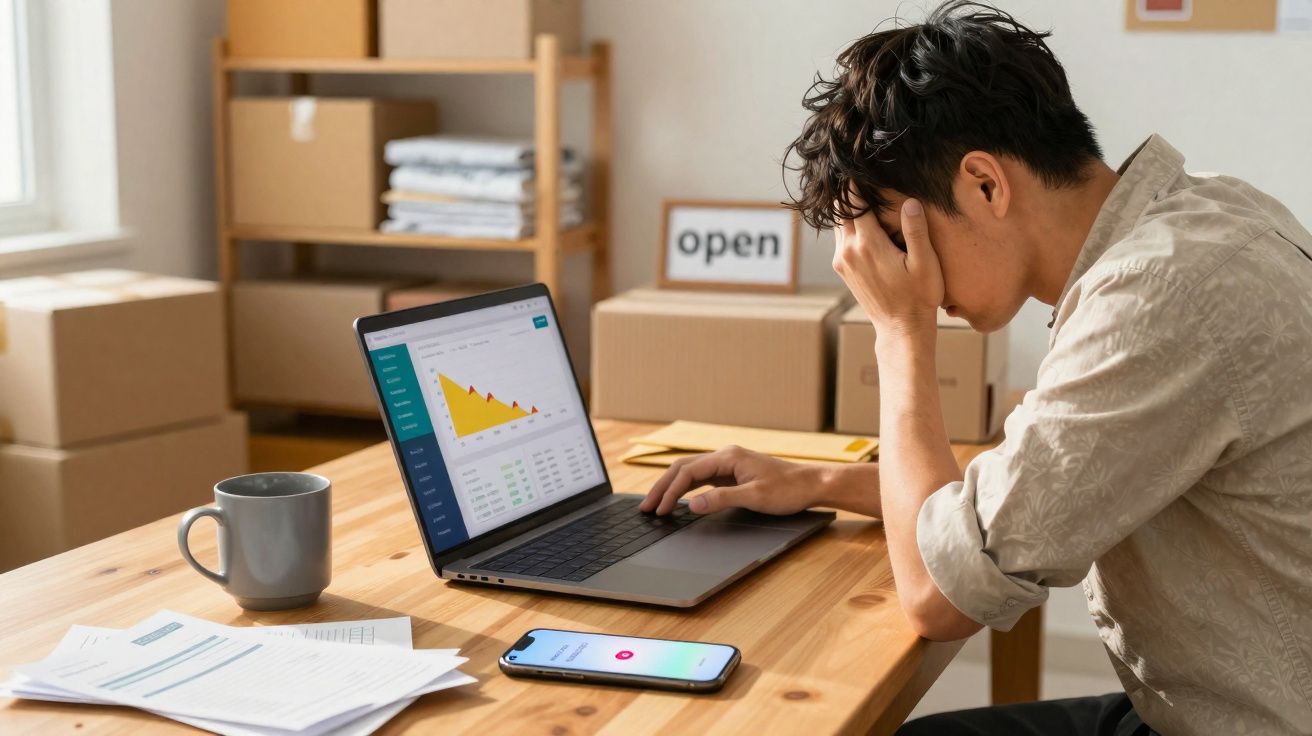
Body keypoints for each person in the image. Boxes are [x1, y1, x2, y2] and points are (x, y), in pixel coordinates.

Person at [638, 2, 1312, 734]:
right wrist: (818, 482)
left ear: (985, 185)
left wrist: (900, 331)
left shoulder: (1156, 300)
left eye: (897, 237)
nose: (898, 271)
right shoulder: (1201, 214)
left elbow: (937, 597)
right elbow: (1031, 494)